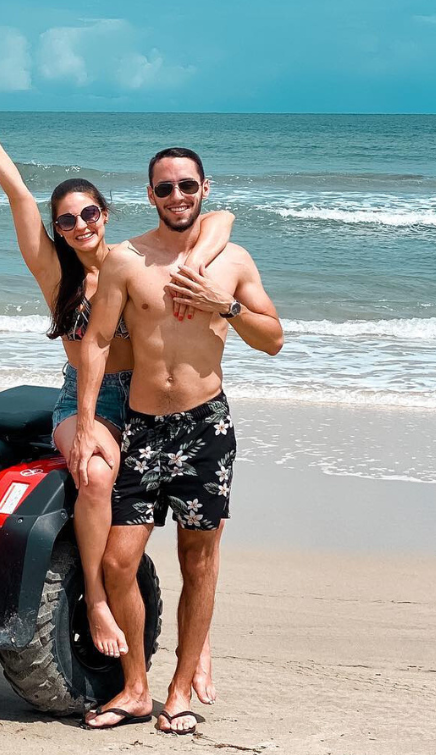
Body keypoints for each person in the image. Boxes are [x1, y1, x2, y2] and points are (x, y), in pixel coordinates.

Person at [0, 82, 232, 692]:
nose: (78, 225)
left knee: (190, 527)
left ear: (105, 214)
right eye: (66, 219)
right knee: (97, 474)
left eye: (88, 214)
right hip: (91, 398)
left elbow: (216, 216)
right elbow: (17, 192)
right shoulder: (53, 270)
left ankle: (199, 640)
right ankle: (99, 600)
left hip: (152, 402)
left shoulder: (132, 259)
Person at [71, 147, 282, 734]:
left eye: (186, 186)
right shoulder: (125, 261)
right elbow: (95, 343)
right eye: (164, 189)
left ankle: (179, 691)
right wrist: (87, 420)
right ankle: (136, 688)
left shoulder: (231, 261)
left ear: (204, 188)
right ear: (150, 196)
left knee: (200, 561)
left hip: (204, 427)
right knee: (118, 562)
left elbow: (274, 339)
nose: (176, 197)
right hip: (141, 427)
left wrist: (227, 306)